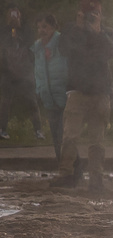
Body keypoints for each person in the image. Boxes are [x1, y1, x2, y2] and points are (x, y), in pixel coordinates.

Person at [51, 0, 113, 192]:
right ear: (80, 14)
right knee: (69, 136)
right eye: (89, 14)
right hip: (77, 91)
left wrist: (98, 32)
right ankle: (65, 174)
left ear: (102, 14)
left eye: (96, 13)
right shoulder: (72, 31)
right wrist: (79, 27)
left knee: (97, 140)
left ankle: (96, 178)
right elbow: (64, 49)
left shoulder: (108, 33)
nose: (93, 17)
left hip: (101, 93)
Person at [1, 6, 43, 141]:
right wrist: (10, 31)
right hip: (8, 72)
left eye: (16, 16)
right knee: (5, 102)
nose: (14, 18)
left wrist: (18, 33)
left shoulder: (26, 31)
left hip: (25, 71)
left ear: (20, 17)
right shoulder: (4, 31)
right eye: (11, 16)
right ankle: (2, 129)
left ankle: (38, 130)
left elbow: (32, 47)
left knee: (32, 101)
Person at [31, 14, 68, 162]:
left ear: (53, 27)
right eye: (39, 27)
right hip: (49, 98)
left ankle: (73, 169)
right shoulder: (38, 48)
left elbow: (69, 67)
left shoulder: (62, 43)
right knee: (56, 137)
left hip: (65, 97)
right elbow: (37, 72)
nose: (41, 30)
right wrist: (40, 90)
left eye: (45, 26)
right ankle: (64, 168)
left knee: (67, 137)